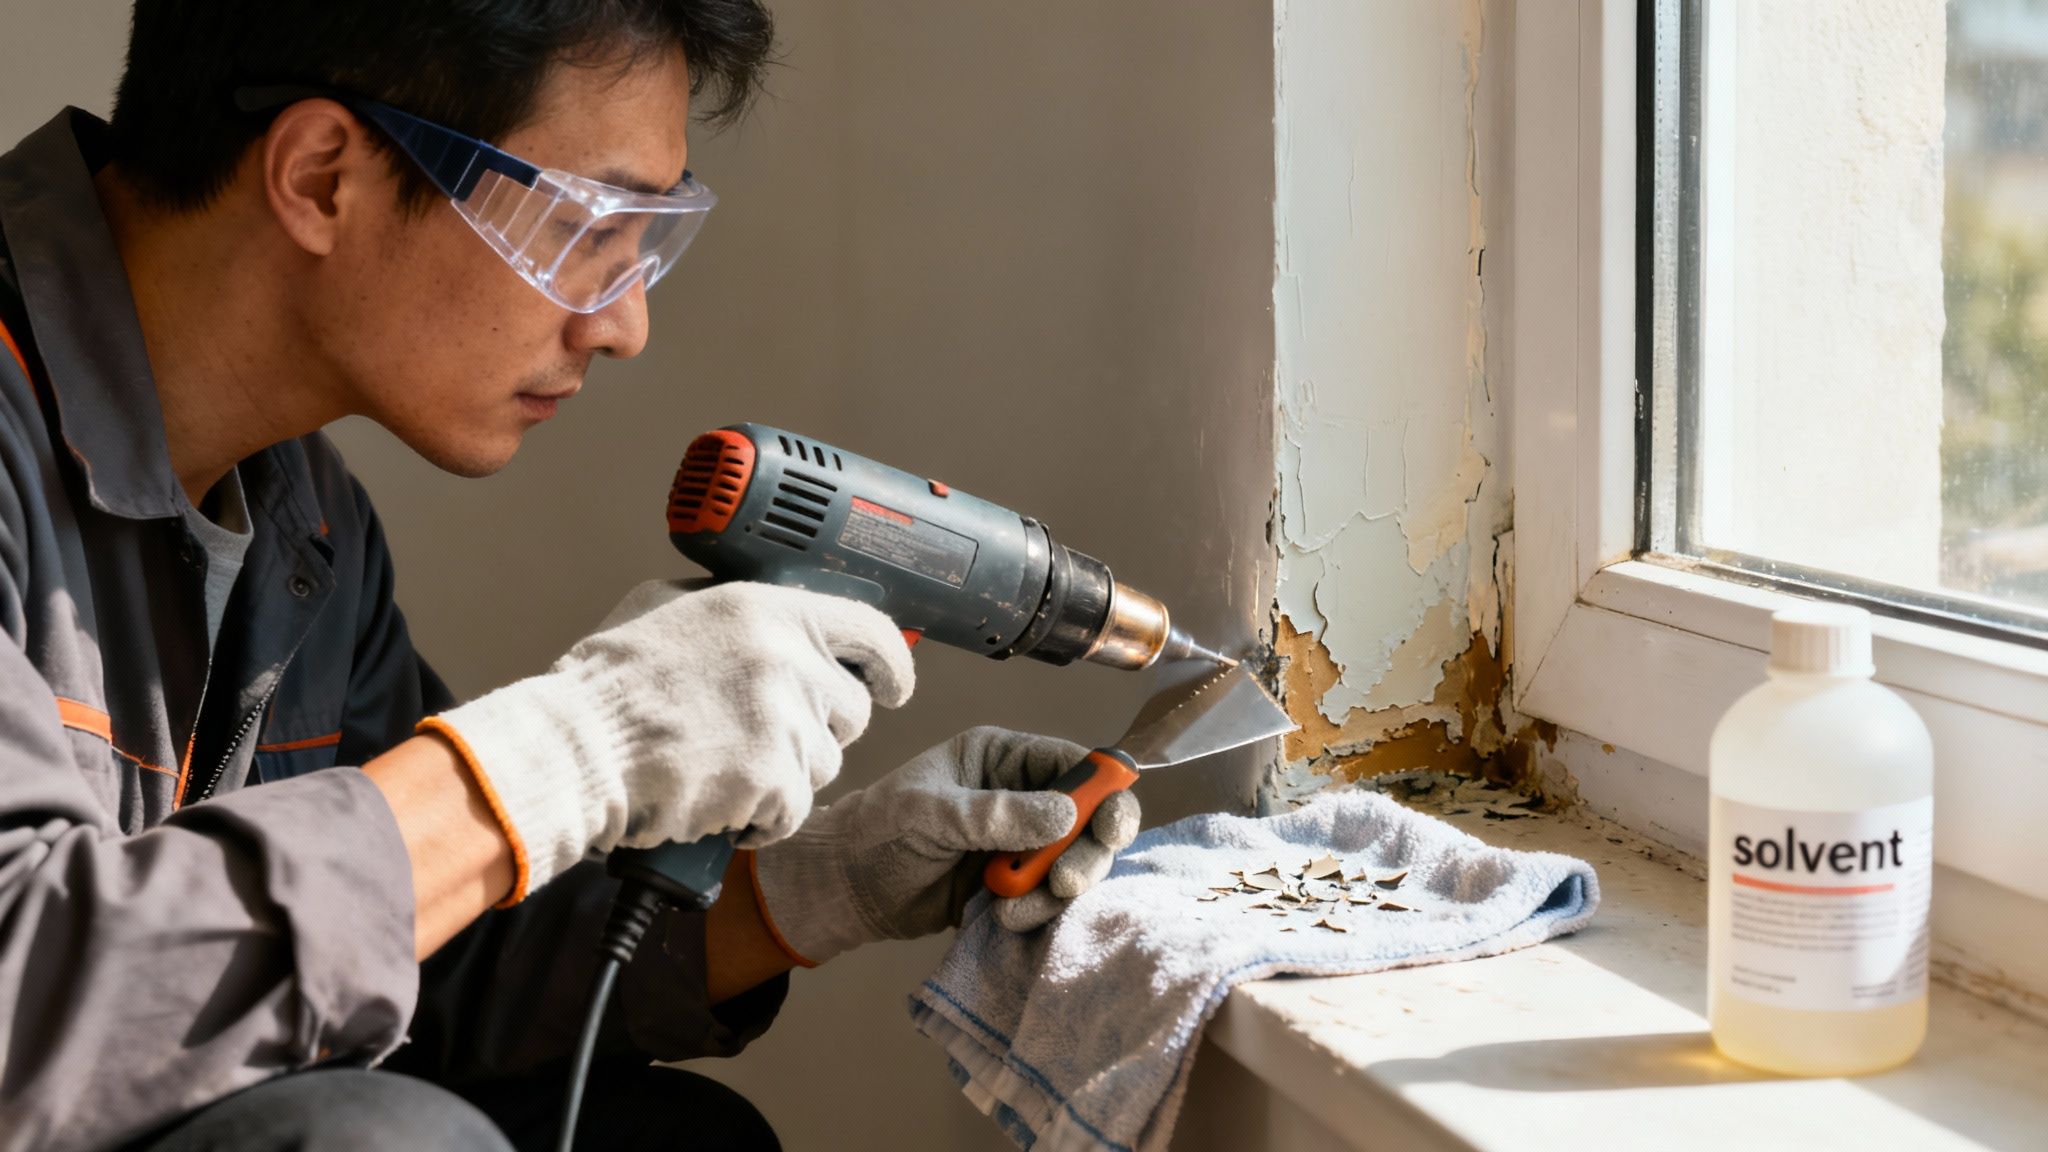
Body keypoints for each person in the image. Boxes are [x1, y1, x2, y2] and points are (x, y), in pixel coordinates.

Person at [0, 3, 1141, 1149]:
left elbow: (427, 961)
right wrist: (580, 744)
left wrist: (820, 883)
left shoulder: (304, 524)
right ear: (322, 175)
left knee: (672, 1139)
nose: (624, 324)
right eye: (587, 225)